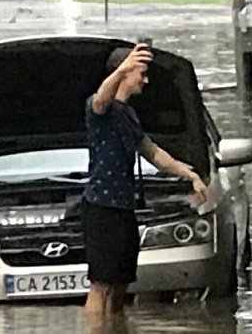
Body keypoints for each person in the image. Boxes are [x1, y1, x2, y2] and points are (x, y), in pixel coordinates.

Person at [81, 44, 209, 315]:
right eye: (141, 73)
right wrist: (125, 66)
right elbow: (101, 100)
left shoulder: (128, 114)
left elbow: (153, 152)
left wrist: (190, 174)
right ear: (123, 73)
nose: (145, 79)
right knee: (102, 285)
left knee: (121, 284)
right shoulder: (99, 109)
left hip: (124, 208)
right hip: (102, 207)